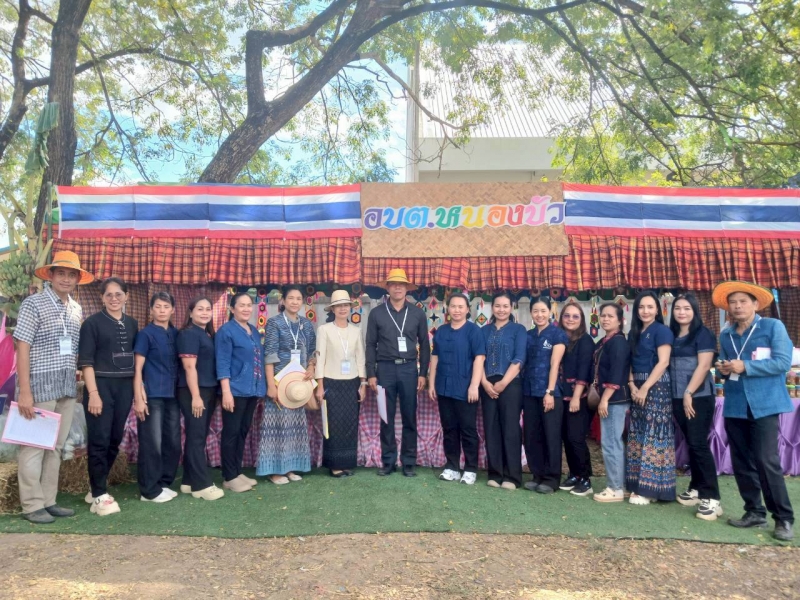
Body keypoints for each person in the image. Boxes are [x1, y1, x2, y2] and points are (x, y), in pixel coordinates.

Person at [13, 251, 94, 524]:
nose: (66, 279)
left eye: (71, 275)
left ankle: (48, 501)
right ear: (50, 275)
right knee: (34, 446)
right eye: (61, 273)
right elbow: (22, 346)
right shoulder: (33, 304)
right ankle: (31, 505)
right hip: (38, 386)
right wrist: (25, 391)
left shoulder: (76, 309)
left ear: (77, 279)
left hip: (66, 387)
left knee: (56, 447)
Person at [713, 281, 794, 541]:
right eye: (732, 303)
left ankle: (783, 518)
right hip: (736, 404)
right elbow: (729, 369)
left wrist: (745, 366)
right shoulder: (726, 335)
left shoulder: (772, 326)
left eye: (743, 302)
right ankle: (754, 511)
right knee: (741, 461)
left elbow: (782, 363)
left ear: (756, 304)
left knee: (766, 460)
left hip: (765, 404)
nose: (737, 307)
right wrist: (725, 369)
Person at [79, 276, 138, 516]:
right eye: (109, 295)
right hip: (100, 386)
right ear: (101, 298)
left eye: (118, 294)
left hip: (124, 387)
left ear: (126, 296)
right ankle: (100, 494)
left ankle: (96, 488)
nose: (114, 299)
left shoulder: (132, 324)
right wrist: (93, 394)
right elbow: (86, 362)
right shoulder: (91, 324)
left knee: (115, 438)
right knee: (99, 439)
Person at [365, 269, 430, 477]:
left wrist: (423, 373)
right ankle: (388, 461)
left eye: (401, 284)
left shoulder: (418, 314)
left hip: (409, 369)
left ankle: (409, 461)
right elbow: (370, 344)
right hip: (384, 369)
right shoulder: (376, 313)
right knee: (386, 417)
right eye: (393, 284)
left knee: (410, 416)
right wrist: (371, 373)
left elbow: (425, 345)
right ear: (388, 287)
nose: (397, 288)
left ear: (407, 288)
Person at [669, 293, 721, 520]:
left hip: (698, 397)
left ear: (695, 311)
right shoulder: (671, 334)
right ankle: (697, 488)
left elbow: (704, 366)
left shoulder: (703, 333)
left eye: (687, 308)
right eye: (678, 308)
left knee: (699, 444)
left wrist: (689, 392)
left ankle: (712, 498)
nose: (682, 312)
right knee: (691, 442)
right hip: (676, 397)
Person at [259, 285, 316, 484]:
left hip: (298, 385)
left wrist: (311, 366)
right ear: (283, 300)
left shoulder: (306, 324)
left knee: (294, 428)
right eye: (290, 298)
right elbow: (269, 355)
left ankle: (290, 467)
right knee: (277, 428)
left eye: (298, 298)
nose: (294, 302)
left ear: (303, 302)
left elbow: (312, 351)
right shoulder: (274, 323)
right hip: (279, 382)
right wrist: (270, 385)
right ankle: (275, 471)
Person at [429, 293, 486, 485]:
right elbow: (435, 358)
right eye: (453, 306)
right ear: (447, 308)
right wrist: (432, 383)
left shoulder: (474, 331)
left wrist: (474, 385)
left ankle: (470, 469)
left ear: (467, 309)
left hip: (465, 388)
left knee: (468, 429)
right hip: (444, 388)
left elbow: (479, 359)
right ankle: (452, 467)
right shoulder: (441, 331)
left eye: (461, 306)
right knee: (449, 429)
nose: (457, 310)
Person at [626, 290, 675, 505]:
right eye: (641, 307)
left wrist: (645, 387)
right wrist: (632, 384)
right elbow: (628, 361)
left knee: (654, 437)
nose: (645, 311)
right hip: (636, 385)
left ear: (657, 310)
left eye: (650, 307)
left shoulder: (662, 331)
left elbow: (663, 362)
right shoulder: (633, 332)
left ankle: (652, 489)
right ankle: (637, 485)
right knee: (638, 435)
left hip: (656, 386)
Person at [133, 291, 180, 504]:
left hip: (173, 395)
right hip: (152, 395)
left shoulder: (176, 333)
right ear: (151, 310)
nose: (162, 310)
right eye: (158, 306)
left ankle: (163, 483)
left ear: (173, 310)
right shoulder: (145, 334)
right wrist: (138, 396)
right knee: (152, 442)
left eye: (166, 306)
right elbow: (137, 368)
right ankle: (149, 491)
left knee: (173, 442)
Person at [215, 292, 265, 493]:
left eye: (248, 305)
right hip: (234, 390)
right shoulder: (226, 331)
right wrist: (226, 391)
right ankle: (229, 476)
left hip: (252, 390)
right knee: (231, 432)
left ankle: (236, 471)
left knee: (243, 430)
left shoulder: (253, 331)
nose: (246, 309)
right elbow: (223, 362)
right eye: (241, 305)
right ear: (232, 308)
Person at [314, 290, 366, 477]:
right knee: (333, 425)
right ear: (333, 309)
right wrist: (320, 386)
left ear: (350, 308)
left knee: (350, 424)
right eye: (339, 306)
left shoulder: (356, 331)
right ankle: (334, 465)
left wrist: (363, 384)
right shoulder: (324, 330)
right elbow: (320, 359)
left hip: (352, 384)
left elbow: (360, 358)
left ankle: (347, 463)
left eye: (345, 305)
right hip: (331, 383)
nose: (342, 309)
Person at [177, 296, 223, 500]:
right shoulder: (188, 334)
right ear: (190, 312)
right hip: (194, 392)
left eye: (207, 309)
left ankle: (188, 481)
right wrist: (196, 396)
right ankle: (201, 485)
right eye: (200, 309)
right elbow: (189, 367)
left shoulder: (206, 334)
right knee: (196, 437)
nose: (204, 313)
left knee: (199, 436)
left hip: (208, 390)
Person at [480, 291, 526, 490]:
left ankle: (512, 476)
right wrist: (484, 383)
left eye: (505, 306)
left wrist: (504, 382)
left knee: (510, 429)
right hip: (487, 384)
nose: (501, 310)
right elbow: (478, 358)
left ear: (511, 307)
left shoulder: (519, 330)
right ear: (492, 308)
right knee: (491, 428)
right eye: (497, 306)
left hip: (511, 384)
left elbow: (519, 358)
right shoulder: (483, 331)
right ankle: (495, 473)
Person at [522, 296, 567, 494]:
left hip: (550, 393)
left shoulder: (557, 334)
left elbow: (555, 364)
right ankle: (537, 475)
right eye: (535, 311)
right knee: (532, 435)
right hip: (529, 391)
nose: (539, 315)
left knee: (551, 435)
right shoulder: (528, 335)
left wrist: (549, 391)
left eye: (543, 311)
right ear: (531, 313)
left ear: (550, 312)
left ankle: (551, 478)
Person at [593, 303, 631, 503]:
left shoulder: (618, 342)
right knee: (613, 441)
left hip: (614, 399)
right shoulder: (605, 341)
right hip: (611, 398)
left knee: (610, 442)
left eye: (610, 316)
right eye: (603, 315)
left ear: (620, 320)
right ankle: (620, 485)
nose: (605, 319)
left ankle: (615, 488)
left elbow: (616, 374)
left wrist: (605, 399)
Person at [558, 302, 595, 497]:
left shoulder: (585, 340)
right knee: (566, 437)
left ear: (581, 320)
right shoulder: (560, 338)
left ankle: (585, 479)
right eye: (567, 316)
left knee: (576, 438)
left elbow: (584, 371)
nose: (570, 319)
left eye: (575, 316)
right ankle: (574, 474)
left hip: (578, 397)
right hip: (561, 395)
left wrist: (575, 397)